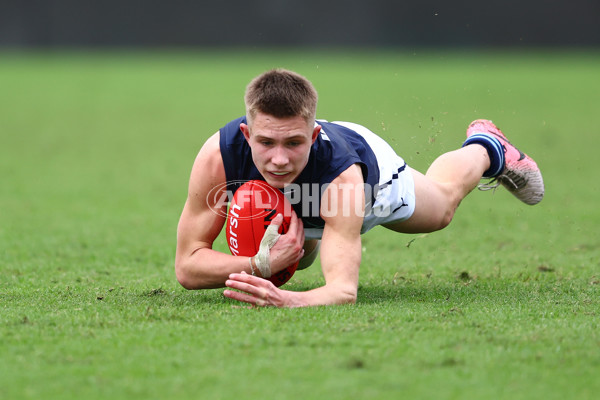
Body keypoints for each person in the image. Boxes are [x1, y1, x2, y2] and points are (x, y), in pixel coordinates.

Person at [175, 68, 544, 308]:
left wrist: (284, 300)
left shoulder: (343, 177)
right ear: (246, 134)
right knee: (293, 259)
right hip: (307, 200)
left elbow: (342, 292)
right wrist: (257, 265)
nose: (279, 159)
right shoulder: (218, 158)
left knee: (442, 207)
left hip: (371, 181)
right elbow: (187, 268)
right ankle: (307, 238)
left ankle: (486, 146)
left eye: (294, 143)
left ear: (314, 135)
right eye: (266, 142)